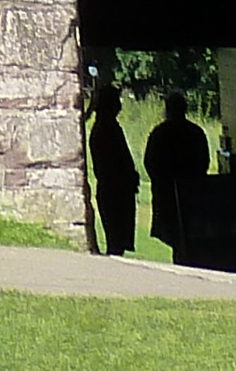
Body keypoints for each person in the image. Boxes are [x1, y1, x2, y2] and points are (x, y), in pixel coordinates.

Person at [145, 88, 211, 258]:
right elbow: (204, 162)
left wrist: (161, 181)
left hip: (166, 194)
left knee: (174, 234)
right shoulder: (195, 133)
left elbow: (150, 163)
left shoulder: (159, 133)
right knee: (190, 235)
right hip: (192, 194)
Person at [87, 78, 138, 255]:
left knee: (117, 240)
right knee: (116, 240)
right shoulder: (106, 129)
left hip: (116, 189)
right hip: (114, 190)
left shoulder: (105, 127)